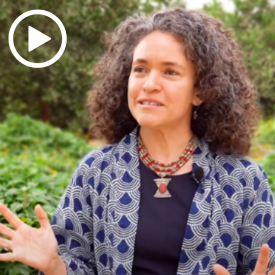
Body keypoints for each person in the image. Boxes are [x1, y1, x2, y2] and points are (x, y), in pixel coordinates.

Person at [0, 7, 275, 275]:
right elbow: (76, 263)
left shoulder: (243, 181)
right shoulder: (96, 172)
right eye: (140, 69)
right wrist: (55, 267)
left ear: (200, 91)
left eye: (170, 72)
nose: (149, 84)